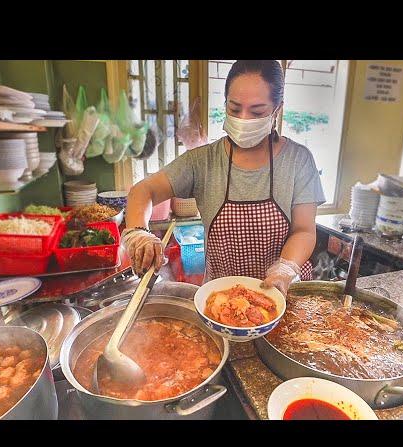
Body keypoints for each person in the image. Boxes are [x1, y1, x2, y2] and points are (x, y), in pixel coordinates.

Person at [122, 60, 326, 296]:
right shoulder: (202, 161)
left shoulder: (298, 160)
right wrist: (138, 233)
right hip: (221, 301)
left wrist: (285, 269)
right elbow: (143, 191)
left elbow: (304, 230)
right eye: (235, 109)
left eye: (257, 111)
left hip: (280, 296)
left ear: (277, 109)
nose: (244, 119)